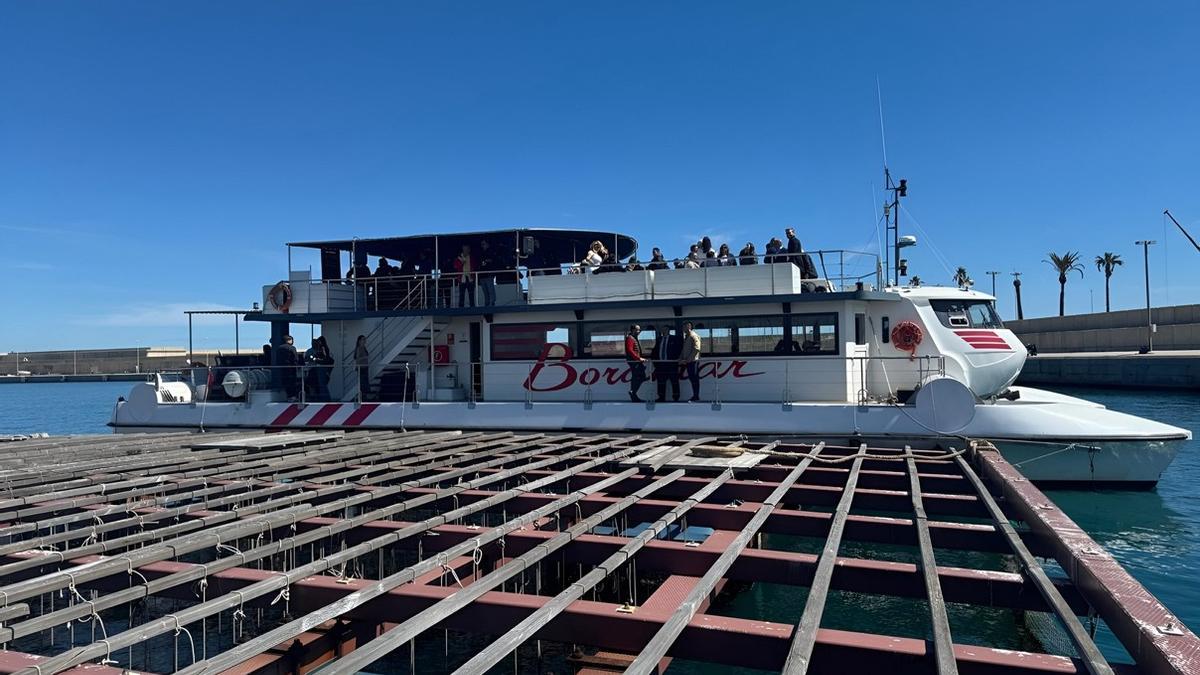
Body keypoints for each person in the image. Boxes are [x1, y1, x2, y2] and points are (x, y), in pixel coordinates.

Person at [652, 324, 682, 402]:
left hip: (671, 364)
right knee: (661, 382)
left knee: (674, 381)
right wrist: (655, 363)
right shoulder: (659, 339)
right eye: (662, 329)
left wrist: (676, 361)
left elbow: (678, 350)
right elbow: (654, 351)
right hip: (661, 364)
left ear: (668, 330)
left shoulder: (674, 339)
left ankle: (676, 397)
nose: (663, 331)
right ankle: (661, 397)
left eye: (665, 329)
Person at [624, 324, 648, 402]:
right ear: (633, 330)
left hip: (637, 362)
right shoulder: (630, 338)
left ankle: (633, 392)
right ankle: (633, 392)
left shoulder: (634, 338)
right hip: (634, 362)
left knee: (640, 376)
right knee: (637, 376)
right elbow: (630, 350)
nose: (639, 331)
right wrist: (639, 358)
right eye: (638, 330)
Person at [678, 322, 701, 402]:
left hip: (693, 362)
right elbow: (684, 350)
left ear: (689, 326)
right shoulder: (687, 337)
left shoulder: (693, 336)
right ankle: (695, 396)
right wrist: (680, 358)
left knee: (694, 379)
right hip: (689, 362)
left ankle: (696, 396)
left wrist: (688, 360)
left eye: (684, 327)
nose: (683, 329)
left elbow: (697, 348)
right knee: (692, 379)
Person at [275, 335, 300, 401]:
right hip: (291, 368)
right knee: (292, 382)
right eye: (292, 340)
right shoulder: (292, 348)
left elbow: (277, 359)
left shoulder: (279, 348)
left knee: (286, 382)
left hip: (283, 368)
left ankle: (288, 396)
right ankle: (293, 396)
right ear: (289, 340)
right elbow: (295, 358)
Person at [478, 240, 497, 306]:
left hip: (489, 275)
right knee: (485, 292)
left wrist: (486, 261)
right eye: (481, 244)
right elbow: (479, 262)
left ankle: (492, 303)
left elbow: (493, 261)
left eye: (484, 244)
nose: (482, 246)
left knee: (490, 290)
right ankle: (486, 304)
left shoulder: (491, 252)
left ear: (487, 244)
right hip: (482, 276)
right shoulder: (480, 253)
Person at [354, 334, 371, 401]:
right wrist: (365, 357)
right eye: (363, 339)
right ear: (359, 341)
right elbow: (357, 359)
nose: (365, 340)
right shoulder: (359, 348)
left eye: (365, 339)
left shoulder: (364, 348)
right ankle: (362, 398)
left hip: (365, 367)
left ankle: (364, 397)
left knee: (365, 382)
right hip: (361, 368)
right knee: (363, 383)